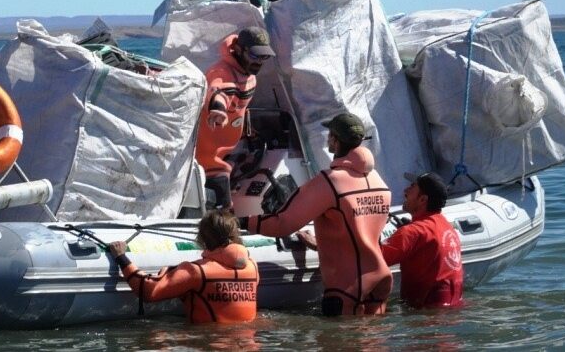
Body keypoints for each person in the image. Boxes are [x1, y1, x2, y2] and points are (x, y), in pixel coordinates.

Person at [241, 112, 392, 316]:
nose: (327, 138)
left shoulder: (330, 182)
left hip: (347, 285)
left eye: (330, 134)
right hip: (381, 277)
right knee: (373, 343)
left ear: (335, 141)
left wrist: (241, 221)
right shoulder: (377, 179)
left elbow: (282, 223)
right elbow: (358, 230)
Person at [107, 209, 258, 323]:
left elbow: (148, 290)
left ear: (202, 239)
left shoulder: (196, 272)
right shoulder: (253, 268)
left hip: (210, 342)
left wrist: (121, 256)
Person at [195, 26, 275, 210]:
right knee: (223, 207)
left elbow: (240, 106)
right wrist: (218, 109)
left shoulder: (249, 76)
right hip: (208, 156)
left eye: (264, 57)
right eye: (255, 56)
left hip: (230, 149)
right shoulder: (222, 72)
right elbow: (217, 90)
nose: (259, 62)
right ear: (238, 50)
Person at [380, 171, 463, 309]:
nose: (405, 190)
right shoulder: (447, 227)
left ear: (422, 199)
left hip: (425, 318)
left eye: (412, 187)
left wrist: (373, 227)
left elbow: (371, 261)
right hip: (453, 311)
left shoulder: (412, 233)